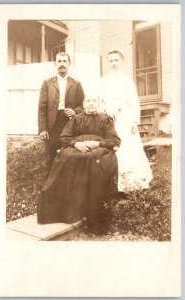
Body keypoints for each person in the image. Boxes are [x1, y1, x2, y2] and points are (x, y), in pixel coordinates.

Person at [37, 93, 121, 234]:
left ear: (99, 104)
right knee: (66, 157)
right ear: (83, 104)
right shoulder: (76, 119)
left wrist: (97, 143)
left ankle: (94, 218)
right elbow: (64, 138)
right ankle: (68, 212)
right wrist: (76, 144)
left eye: (94, 100)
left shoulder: (105, 119)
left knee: (95, 159)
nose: (91, 103)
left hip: (98, 150)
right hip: (78, 148)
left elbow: (115, 140)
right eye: (88, 101)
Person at [99, 49, 153, 197]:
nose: (114, 63)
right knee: (113, 145)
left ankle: (134, 183)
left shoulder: (127, 81)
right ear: (108, 63)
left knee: (128, 146)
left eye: (116, 60)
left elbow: (134, 101)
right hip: (111, 118)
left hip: (126, 116)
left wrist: (135, 121)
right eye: (111, 60)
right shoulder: (103, 81)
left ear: (121, 61)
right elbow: (100, 101)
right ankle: (113, 184)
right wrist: (106, 110)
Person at [38, 52, 85, 176]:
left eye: (65, 61)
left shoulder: (76, 84)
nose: (62, 64)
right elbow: (42, 108)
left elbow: (82, 106)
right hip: (52, 124)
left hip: (70, 123)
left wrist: (75, 111)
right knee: (51, 158)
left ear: (69, 64)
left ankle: (68, 190)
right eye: (59, 61)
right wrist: (42, 129)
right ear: (55, 64)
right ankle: (50, 191)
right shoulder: (47, 83)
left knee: (69, 156)